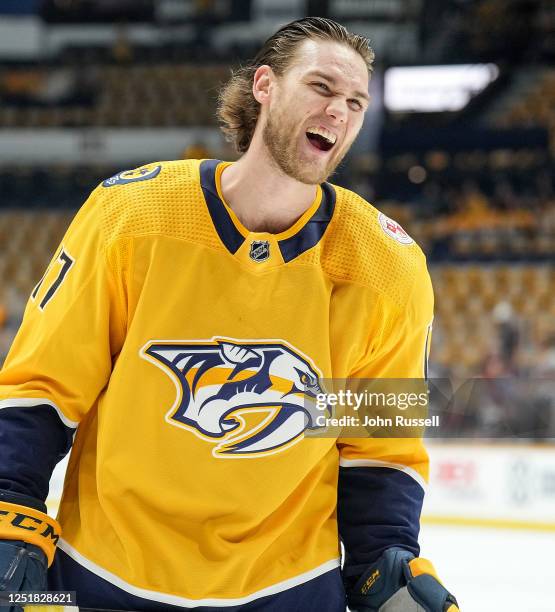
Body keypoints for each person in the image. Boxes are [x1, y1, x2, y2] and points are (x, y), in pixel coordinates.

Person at [0, 17, 458, 612]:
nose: (339, 112)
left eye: (354, 102)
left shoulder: (388, 267)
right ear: (264, 86)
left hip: (289, 586)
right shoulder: (133, 215)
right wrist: (10, 507)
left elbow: (379, 444)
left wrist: (385, 561)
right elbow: (44, 385)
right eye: (320, 88)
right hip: (107, 572)